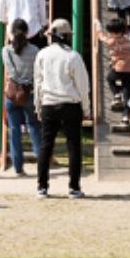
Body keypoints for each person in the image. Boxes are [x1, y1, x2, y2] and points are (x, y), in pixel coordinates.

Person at [34, 22, 91, 199]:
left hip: (49, 103)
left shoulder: (42, 54)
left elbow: (38, 82)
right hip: (70, 103)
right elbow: (83, 85)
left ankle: (42, 186)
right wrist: (86, 107)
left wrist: (38, 105)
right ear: (67, 36)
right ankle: (74, 187)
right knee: (73, 146)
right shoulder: (73, 56)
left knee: (46, 145)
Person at [0, 19, 41, 175]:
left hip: (12, 93)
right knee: (34, 125)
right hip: (29, 92)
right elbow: (37, 71)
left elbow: (11, 71)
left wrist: (19, 80)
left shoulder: (6, 50)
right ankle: (41, 159)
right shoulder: (35, 50)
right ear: (27, 32)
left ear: (11, 32)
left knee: (14, 130)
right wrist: (27, 80)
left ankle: (18, 167)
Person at [99, 12, 130, 122]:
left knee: (110, 79)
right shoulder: (128, 40)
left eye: (110, 32)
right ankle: (126, 116)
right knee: (127, 93)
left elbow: (101, 37)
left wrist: (97, 26)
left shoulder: (113, 42)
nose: (109, 34)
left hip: (119, 69)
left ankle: (116, 94)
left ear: (116, 33)